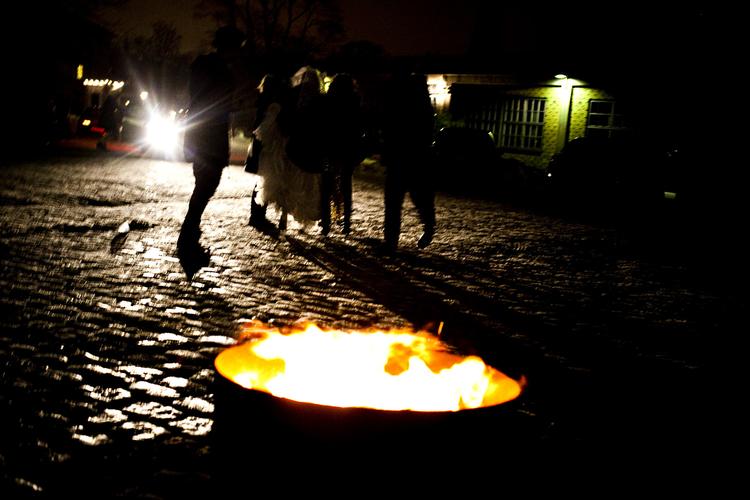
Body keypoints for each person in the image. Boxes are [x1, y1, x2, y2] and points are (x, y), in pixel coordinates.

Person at [178, 26, 244, 257]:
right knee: (206, 185)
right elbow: (215, 102)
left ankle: (190, 230)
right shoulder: (219, 69)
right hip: (210, 134)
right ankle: (188, 232)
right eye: (237, 47)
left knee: (203, 184)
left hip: (201, 132)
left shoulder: (205, 66)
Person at [253, 67, 322, 232]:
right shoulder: (317, 98)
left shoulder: (294, 94)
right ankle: (281, 217)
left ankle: (282, 217)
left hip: (290, 143)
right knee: (298, 183)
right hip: (303, 145)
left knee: (287, 181)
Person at [380, 71, 436, 251]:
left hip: (402, 159)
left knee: (394, 203)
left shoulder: (397, 106)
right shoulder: (424, 108)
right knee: (420, 200)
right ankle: (427, 227)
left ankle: (391, 241)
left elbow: (388, 132)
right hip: (416, 159)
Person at [320, 73, 363, 235]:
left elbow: (323, 124)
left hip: (330, 147)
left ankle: (326, 222)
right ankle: (346, 222)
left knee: (326, 185)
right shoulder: (354, 101)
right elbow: (358, 126)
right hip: (348, 148)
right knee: (346, 185)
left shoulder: (328, 101)